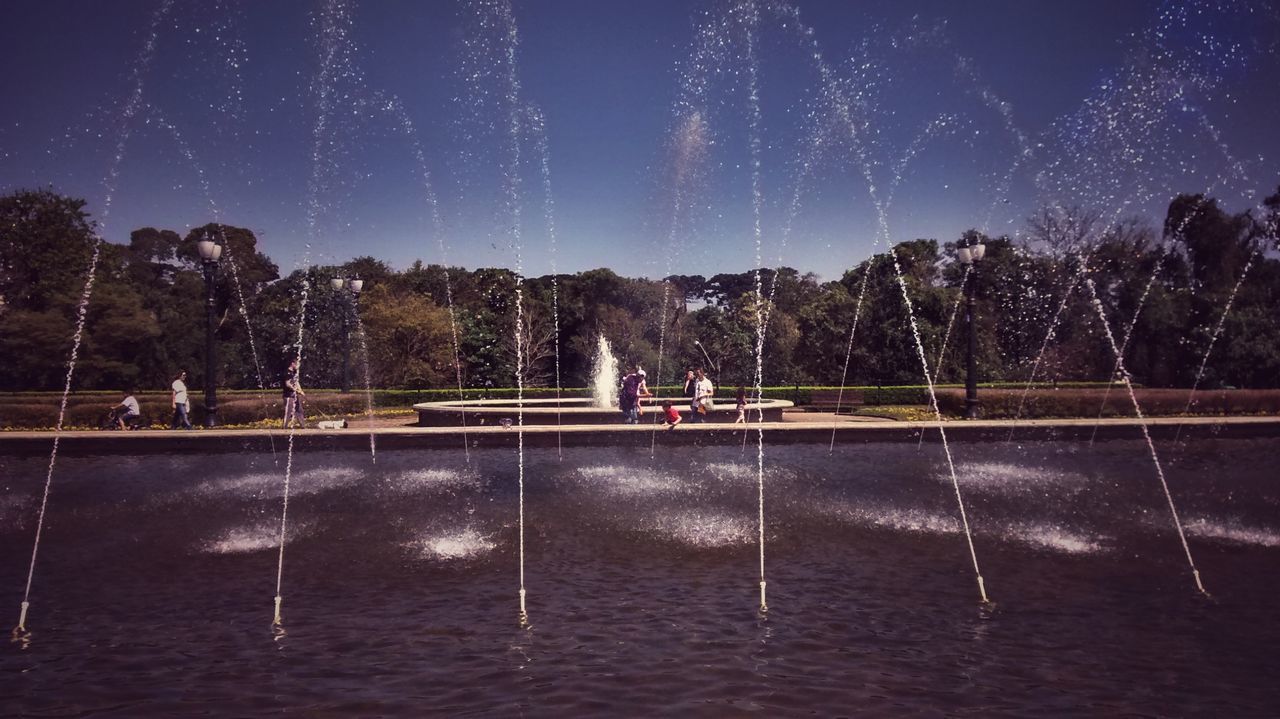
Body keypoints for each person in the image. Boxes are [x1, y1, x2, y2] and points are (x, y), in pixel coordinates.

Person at [282, 358, 306, 428]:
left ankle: (303, 426)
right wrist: (295, 389)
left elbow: (296, 382)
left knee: (299, 410)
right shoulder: (287, 372)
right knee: (288, 412)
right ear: (293, 364)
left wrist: (301, 390)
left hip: (294, 395)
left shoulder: (294, 373)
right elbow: (287, 384)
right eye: (297, 364)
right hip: (288, 395)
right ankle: (284, 427)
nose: (298, 366)